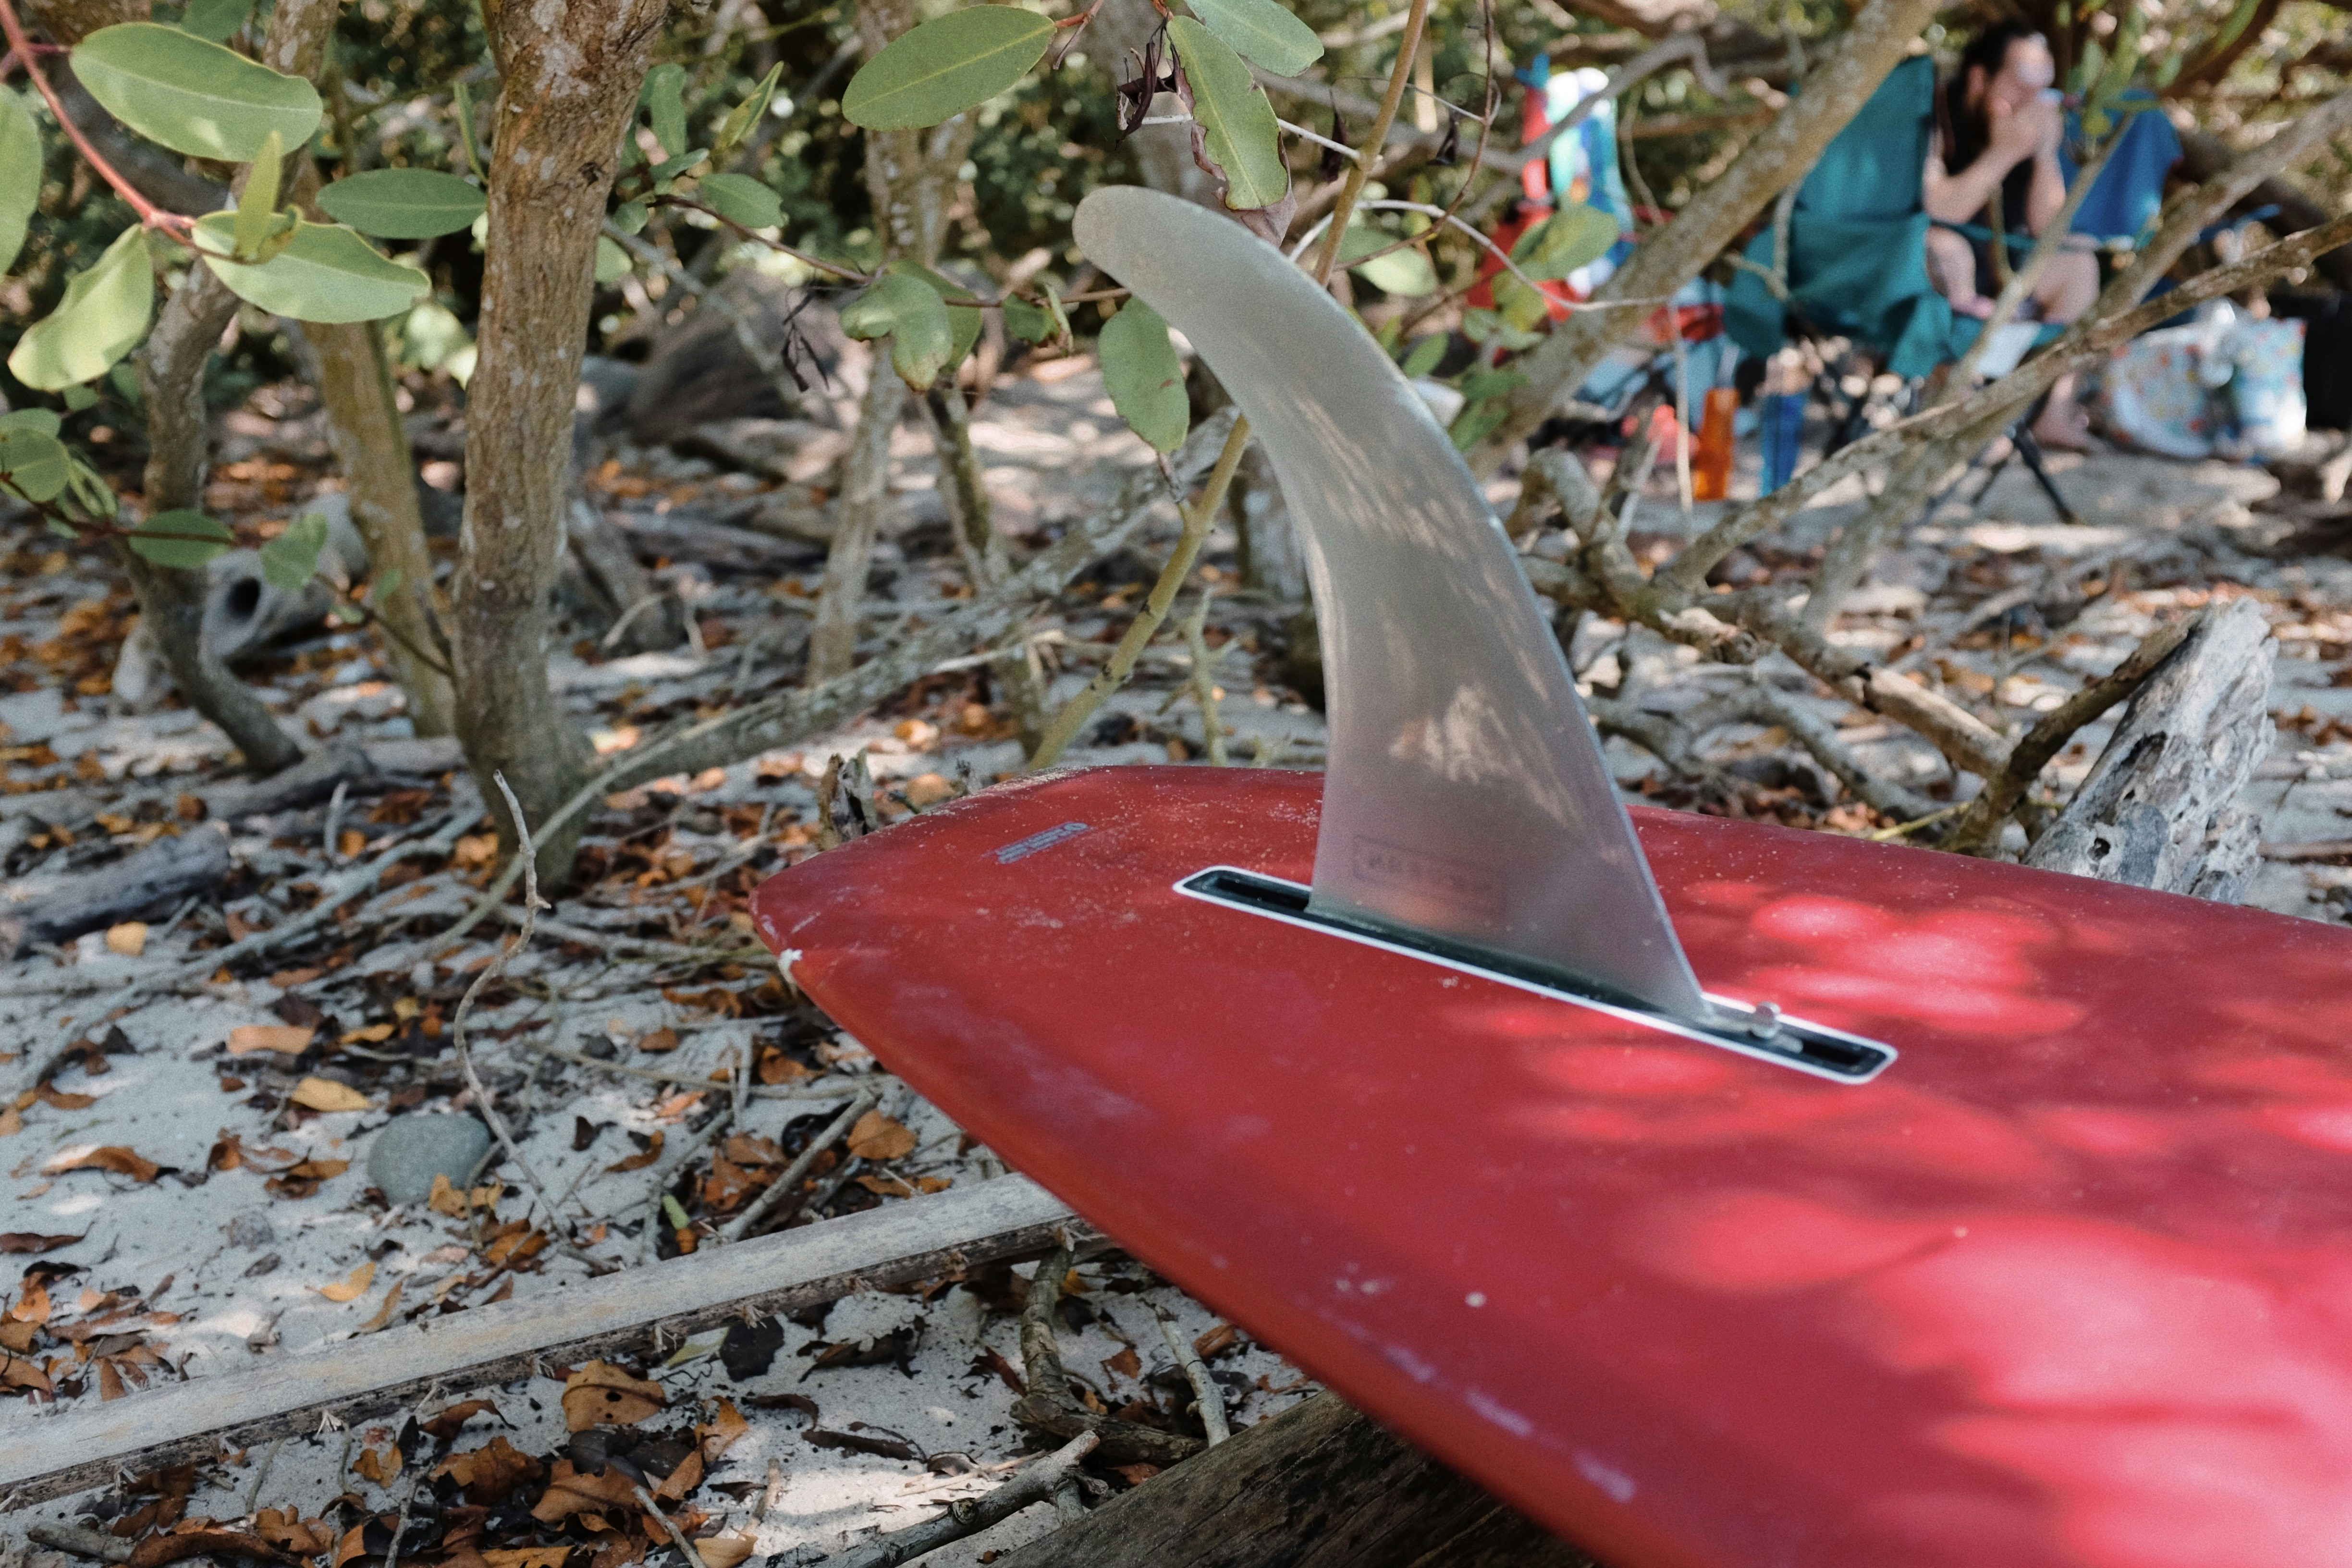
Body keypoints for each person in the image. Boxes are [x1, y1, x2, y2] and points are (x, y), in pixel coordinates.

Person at [1923, 24, 2101, 447]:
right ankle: (1963, 417)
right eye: (2020, 84)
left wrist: (2043, 155)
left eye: (2042, 87)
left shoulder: (2030, 123)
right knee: (1949, 252)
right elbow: (1939, 210)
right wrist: (2003, 152)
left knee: (2079, 264)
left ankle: (2051, 411)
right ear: (1979, 79)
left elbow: (2050, 230)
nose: (2031, 100)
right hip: (1934, 269)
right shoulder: (1934, 113)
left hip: (2003, 269)